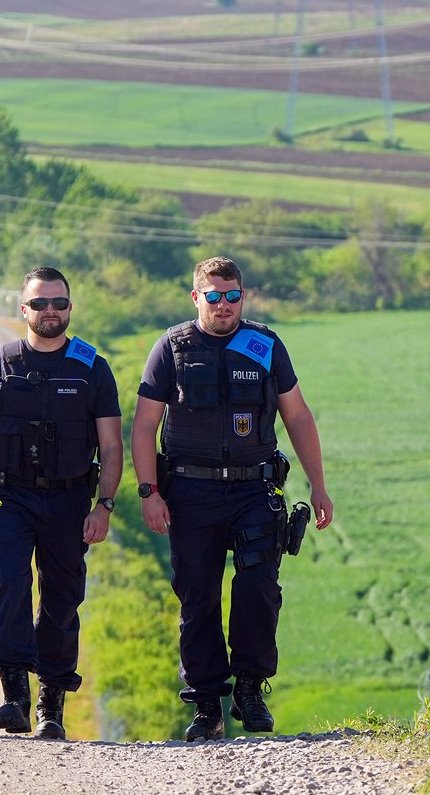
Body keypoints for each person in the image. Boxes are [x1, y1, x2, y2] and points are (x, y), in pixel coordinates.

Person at [131, 256, 333, 741]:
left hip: (253, 488)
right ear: (196, 297)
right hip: (190, 492)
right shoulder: (172, 348)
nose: (224, 305)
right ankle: (206, 704)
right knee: (197, 597)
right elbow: (143, 426)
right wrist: (148, 492)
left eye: (233, 295)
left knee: (258, 588)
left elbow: (298, 417)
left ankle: (249, 687)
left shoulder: (264, 345)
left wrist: (319, 486)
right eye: (214, 296)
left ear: (244, 296)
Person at [0, 268, 123, 740]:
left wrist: (103, 505)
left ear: (70, 308)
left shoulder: (92, 368)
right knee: (13, 587)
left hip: (69, 500)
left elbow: (111, 446)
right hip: (10, 497)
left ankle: (52, 702)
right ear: (22, 309)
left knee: (63, 599)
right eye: (40, 303)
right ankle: (14, 695)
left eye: (59, 304)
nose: (50, 312)